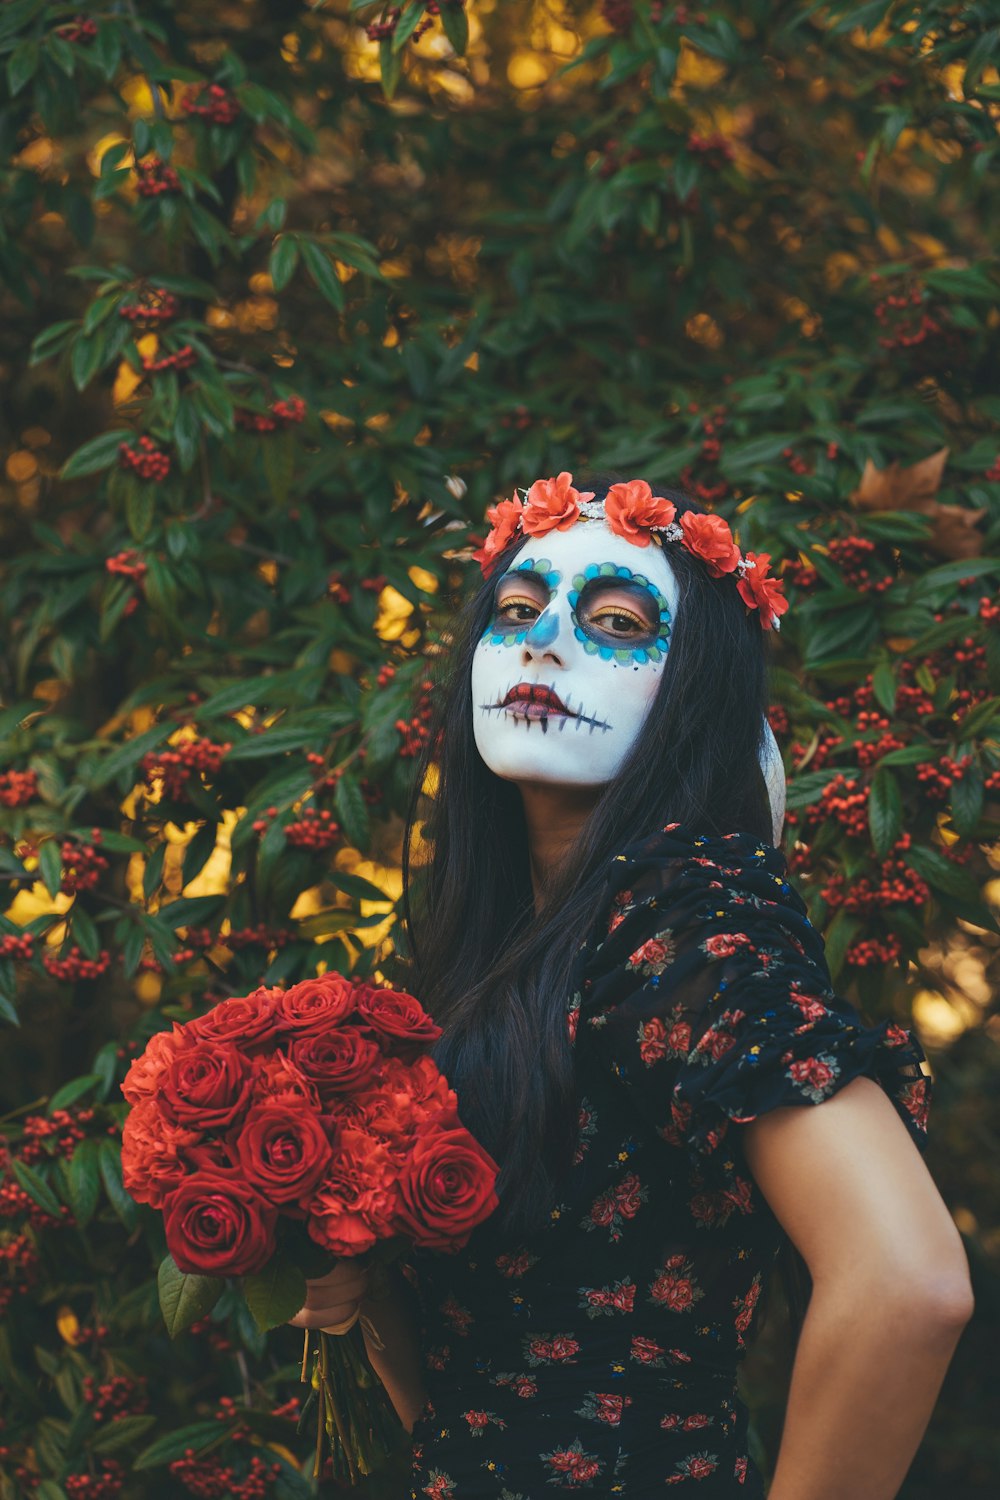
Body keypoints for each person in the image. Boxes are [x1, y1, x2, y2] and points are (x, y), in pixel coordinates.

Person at [292, 474, 973, 1498]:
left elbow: (908, 1284)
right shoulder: (500, 951)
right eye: (516, 611)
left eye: (614, 622)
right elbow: (476, 1407)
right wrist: (350, 1278)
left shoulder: (683, 925)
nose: (544, 642)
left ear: (694, 695)